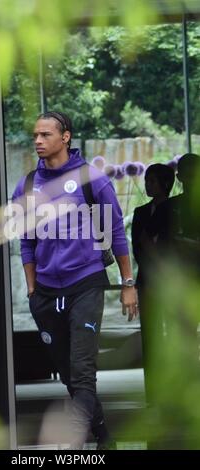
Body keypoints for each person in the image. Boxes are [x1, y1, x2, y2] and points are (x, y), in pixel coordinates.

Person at [12, 111, 138, 450]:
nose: (38, 141)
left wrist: (128, 284)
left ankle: (73, 443)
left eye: (45, 135)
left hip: (85, 283)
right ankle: (104, 437)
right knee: (69, 374)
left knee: (82, 369)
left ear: (65, 137)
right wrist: (32, 287)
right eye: (35, 136)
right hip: (46, 292)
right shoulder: (26, 186)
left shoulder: (91, 180)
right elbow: (25, 240)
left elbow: (115, 234)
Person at [131, 163, 175, 405]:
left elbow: (168, 244)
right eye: (146, 180)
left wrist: (152, 245)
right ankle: (153, 393)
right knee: (150, 334)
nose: (147, 184)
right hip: (147, 280)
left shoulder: (173, 209)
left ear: (165, 184)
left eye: (152, 181)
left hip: (169, 280)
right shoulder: (140, 212)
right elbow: (138, 246)